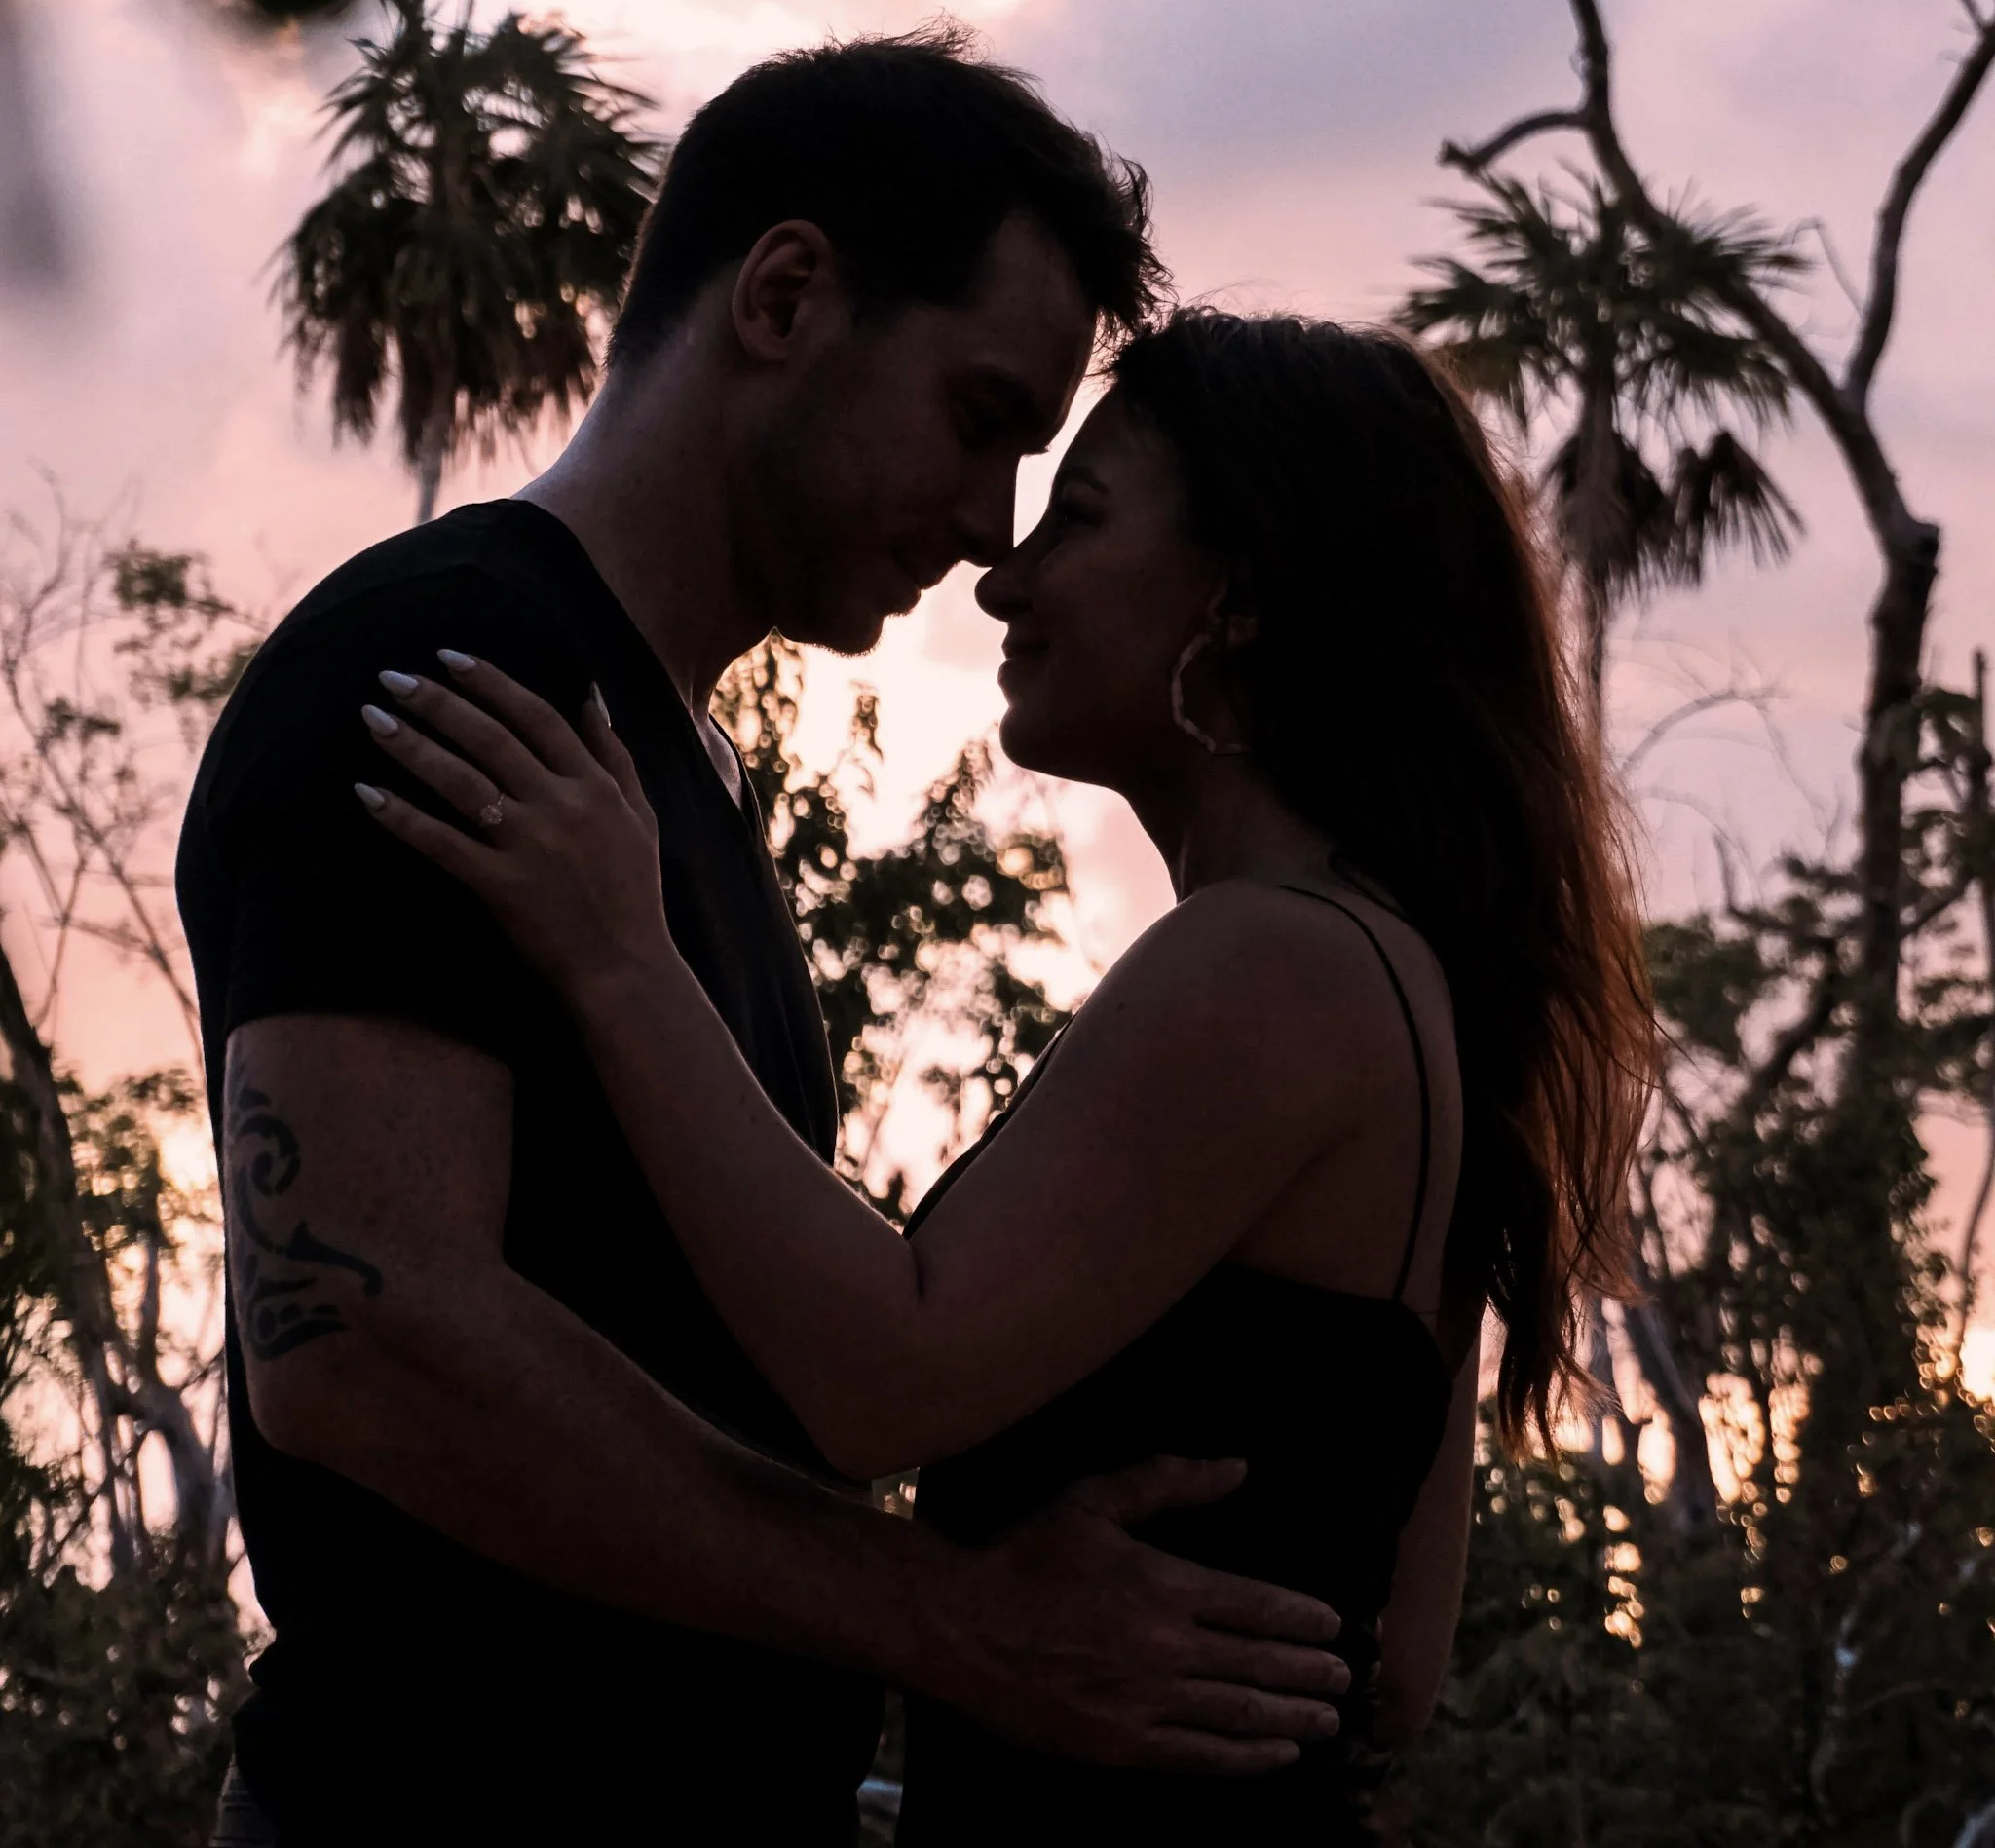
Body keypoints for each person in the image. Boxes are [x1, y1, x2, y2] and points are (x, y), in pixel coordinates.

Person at [180, 38, 1358, 1848]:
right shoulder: (447, 666)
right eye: (980, 420)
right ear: (788, 296)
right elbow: (363, 1338)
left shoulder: (685, 774)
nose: (988, 533)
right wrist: (951, 1623)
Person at [353, 306, 1658, 1841]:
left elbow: (875, 1379)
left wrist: (615, 953)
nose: (1005, 577)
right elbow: (1389, 1671)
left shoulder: (1276, 966)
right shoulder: (1397, 982)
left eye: (1081, 521)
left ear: (1239, 594)